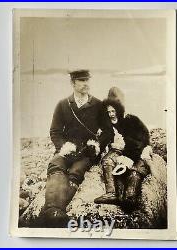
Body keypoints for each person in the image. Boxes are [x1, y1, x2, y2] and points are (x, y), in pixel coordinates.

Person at [43, 70, 113, 227]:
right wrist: (63, 147)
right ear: (72, 83)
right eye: (81, 80)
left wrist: (96, 146)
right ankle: (52, 210)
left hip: (87, 151)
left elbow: (108, 131)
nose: (86, 83)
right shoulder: (63, 105)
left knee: (76, 171)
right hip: (67, 149)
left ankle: (55, 209)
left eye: (87, 80)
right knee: (56, 164)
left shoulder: (98, 105)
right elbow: (55, 131)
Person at [94, 87, 150, 212]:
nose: (112, 114)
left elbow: (141, 141)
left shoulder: (132, 120)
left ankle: (130, 198)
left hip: (137, 153)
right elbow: (104, 140)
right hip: (120, 152)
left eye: (114, 110)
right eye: (109, 111)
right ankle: (112, 193)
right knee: (108, 161)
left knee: (135, 172)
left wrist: (128, 157)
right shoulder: (108, 124)